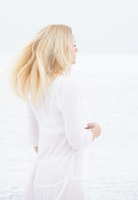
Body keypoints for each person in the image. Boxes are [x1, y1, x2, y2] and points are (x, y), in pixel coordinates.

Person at [8, 24, 101, 200]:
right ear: (61, 49)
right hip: (65, 178)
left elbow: (35, 141)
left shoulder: (34, 86)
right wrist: (96, 132)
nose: (77, 49)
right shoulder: (67, 86)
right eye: (73, 45)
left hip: (40, 175)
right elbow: (77, 141)